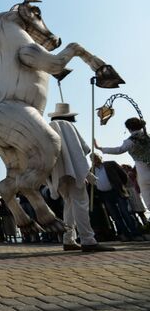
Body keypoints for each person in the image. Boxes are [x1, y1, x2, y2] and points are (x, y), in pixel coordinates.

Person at [46, 103, 115, 252]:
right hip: (73, 171)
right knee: (80, 203)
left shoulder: (48, 126)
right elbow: (80, 149)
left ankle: (68, 239)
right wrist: (86, 172)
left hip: (58, 172)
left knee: (69, 205)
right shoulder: (67, 125)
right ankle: (88, 240)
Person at [96, 117, 150, 213]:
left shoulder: (130, 141)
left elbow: (119, 150)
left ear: (129, 129)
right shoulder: (147, 136)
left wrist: (100, 148)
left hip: (143, 173)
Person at [91, 153, 144, 242]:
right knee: (115, 216)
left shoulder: (110, 164)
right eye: (92, 158)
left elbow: (123, 175)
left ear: (100, 157)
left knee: (126, 213)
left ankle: (135, 234)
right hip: (105, 195)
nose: (95, 159)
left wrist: (120, 185)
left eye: (96, 157)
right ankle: (125, 235)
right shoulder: (91, 170)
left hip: (117, 192)